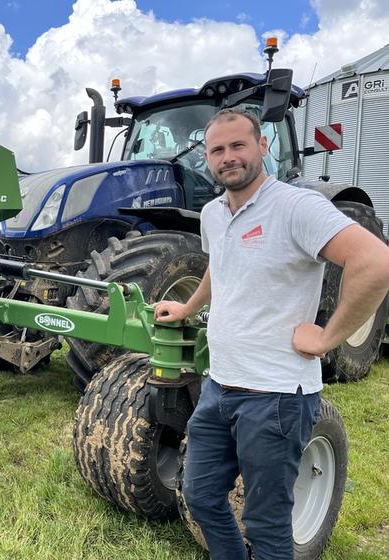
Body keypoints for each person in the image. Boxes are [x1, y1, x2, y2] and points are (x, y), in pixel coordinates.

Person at [153, 107, 389, 560]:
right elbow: (219, 268)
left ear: (263, 146)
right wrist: (188, 306)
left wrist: (326, 338)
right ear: (207, 157)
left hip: (276, 397)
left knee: (266, 523)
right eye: (217, 150)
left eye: (238, 145)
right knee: (200, 496)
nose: (228, 157)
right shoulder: (212, 214)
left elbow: (374, 263)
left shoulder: (297, 207)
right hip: (219, 388)